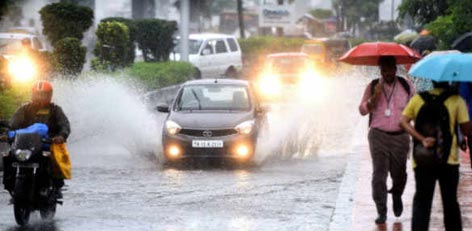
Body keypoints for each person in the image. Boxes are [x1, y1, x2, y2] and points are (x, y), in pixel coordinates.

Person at [400, 81, 470, 231]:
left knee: (422, 203)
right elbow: (466, 130)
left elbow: (403, 122)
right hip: (449, 161)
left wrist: (421, 138)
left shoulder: (418, 99)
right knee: (450, 204)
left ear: (432, 81)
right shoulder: (456, 100)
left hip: (421, 161)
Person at [358, 56, 415, 224]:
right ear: (380, 70)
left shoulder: (406, 85)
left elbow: (415, 107)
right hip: (378, 136)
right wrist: (372, 99)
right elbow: (362, 110)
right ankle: (381, 210)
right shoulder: (373, 85)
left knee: (400, 174)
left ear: (395, 69)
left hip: (400, 136)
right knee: (378, 175)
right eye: (383, 70)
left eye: (389, 69)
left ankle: (397, 194)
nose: (386, 73)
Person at [1, 80, 70, 197]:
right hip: (24, 143)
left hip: (47, 143)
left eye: (43, 94)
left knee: (56, 157)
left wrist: (61, 136)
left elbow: (64, 125)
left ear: (49, 95)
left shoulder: (55, 110)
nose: (40, 97)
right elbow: (13, 124)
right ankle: (10, 185)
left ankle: (57, 186)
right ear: (32, 94)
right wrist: (6, 134)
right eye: (38, 94)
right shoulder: (24, 109)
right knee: (8, 156)